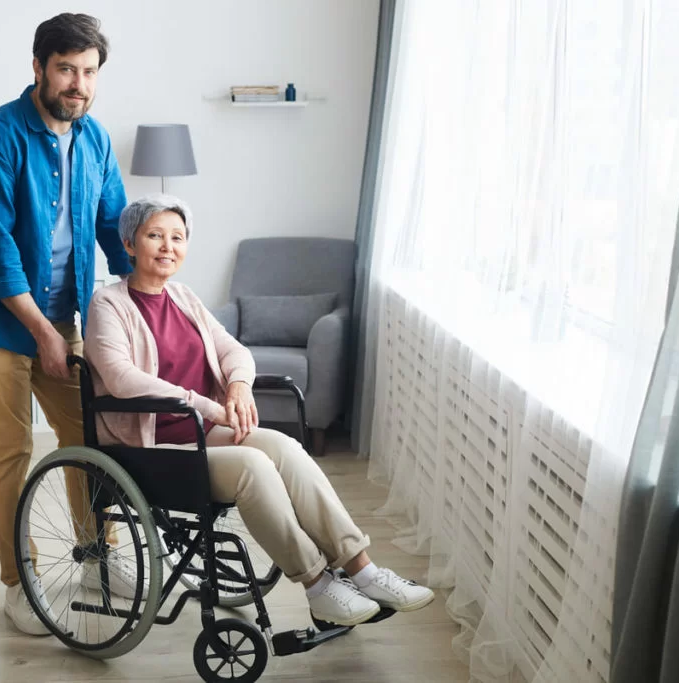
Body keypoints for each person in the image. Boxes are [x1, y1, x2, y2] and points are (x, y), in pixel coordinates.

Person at [83, 194, 436, 626]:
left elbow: (234, 350)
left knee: (283, 447)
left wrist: (238, 386)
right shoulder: (108, 305)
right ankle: (317, 585)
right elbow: (119, 377)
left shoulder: (184, 297)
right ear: (129, 243)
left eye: (177, 237)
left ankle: (364, 569)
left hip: (199, 434)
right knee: (253, 465)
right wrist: (204, 405)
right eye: (154, 235)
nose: (167, 246)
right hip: (150, 448)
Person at [0, 13, 133, 636]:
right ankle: (16, 581)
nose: (77, 84)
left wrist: (147, 296)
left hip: (63, 313)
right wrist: (44, 333)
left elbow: (113, 227)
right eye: (65, 69)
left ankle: (94, 558)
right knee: (10, 450)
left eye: (88, 72)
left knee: (89, 439)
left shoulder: (97, 139)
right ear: (38, 68)